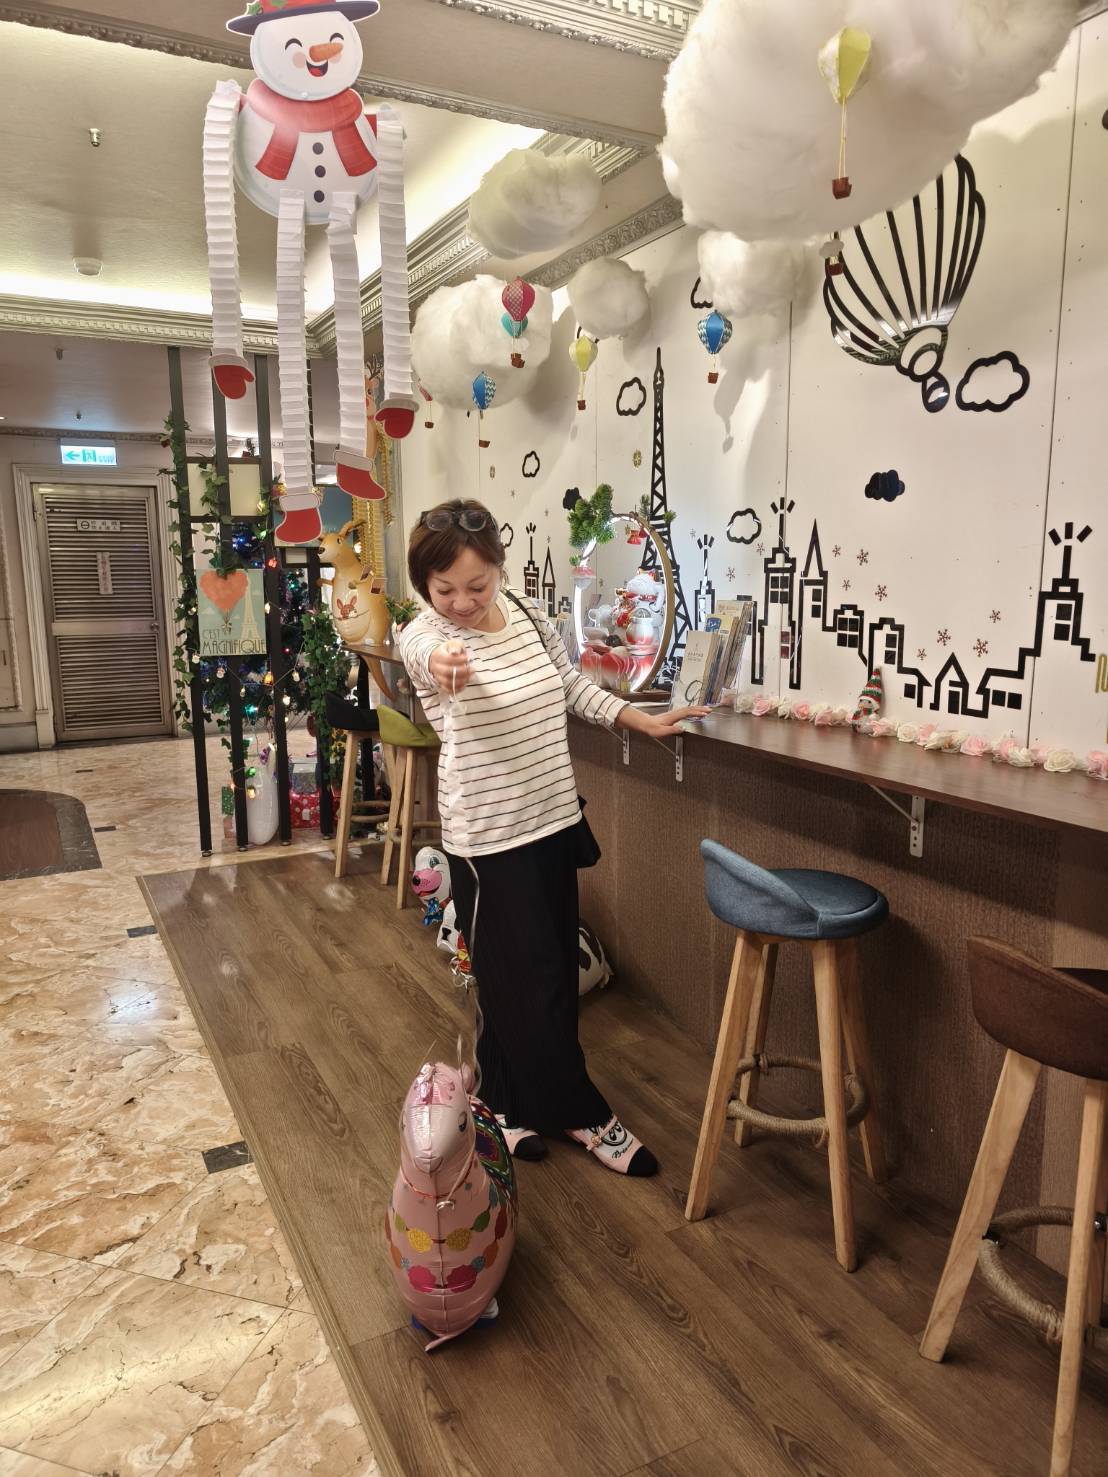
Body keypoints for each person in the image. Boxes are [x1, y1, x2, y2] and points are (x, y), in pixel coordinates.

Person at [398, 497, 707, 1177]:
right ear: (425, 586)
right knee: (520, 979)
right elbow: (431, 657)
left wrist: (636, 718)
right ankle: (582, 1111)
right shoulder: (424, 636)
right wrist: (447, 661)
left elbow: (569, 686)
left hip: (553, 817)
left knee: (546, 974)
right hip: (487, 838)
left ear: (499, 570)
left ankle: (504, 1101)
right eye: (444, 589)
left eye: (477, 585)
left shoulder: (527, 614)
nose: (462, 602)